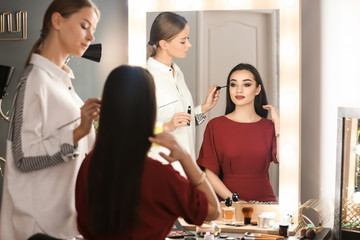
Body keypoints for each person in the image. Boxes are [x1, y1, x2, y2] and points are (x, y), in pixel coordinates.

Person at [75, 65, 220, 239]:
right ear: (149, 110)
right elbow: (213, 210)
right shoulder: (159, 175)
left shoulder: (89, 166)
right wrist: (185, 158)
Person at [0, 0, 100, 239]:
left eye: (93, 30)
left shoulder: (63, 85)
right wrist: (78, 132)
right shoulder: (35, 82)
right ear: (57, 21)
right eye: (84, 26)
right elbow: (23, 157)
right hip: (38, 230)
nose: (90, 37)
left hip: (64, 226)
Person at [146, 12, 220, 177]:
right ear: (164, 43)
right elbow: (134, 129)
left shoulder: (177, 72)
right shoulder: (146, 76)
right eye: (183, 40)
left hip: (186, 169)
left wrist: (203, 108)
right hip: (161, 171)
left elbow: (182, 121)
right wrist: (166, 126)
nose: (189, 44)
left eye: (188, 38)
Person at [197, 63, 280, 202]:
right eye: (233, 84)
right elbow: (209, 173)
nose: (239, 90)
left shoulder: (269, 127)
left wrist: (278, 123)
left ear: (258, 89)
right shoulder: (216, 126)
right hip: (228, 205)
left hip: (265, 204)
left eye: (246, 85)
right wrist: (234, 200)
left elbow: (284, 159)